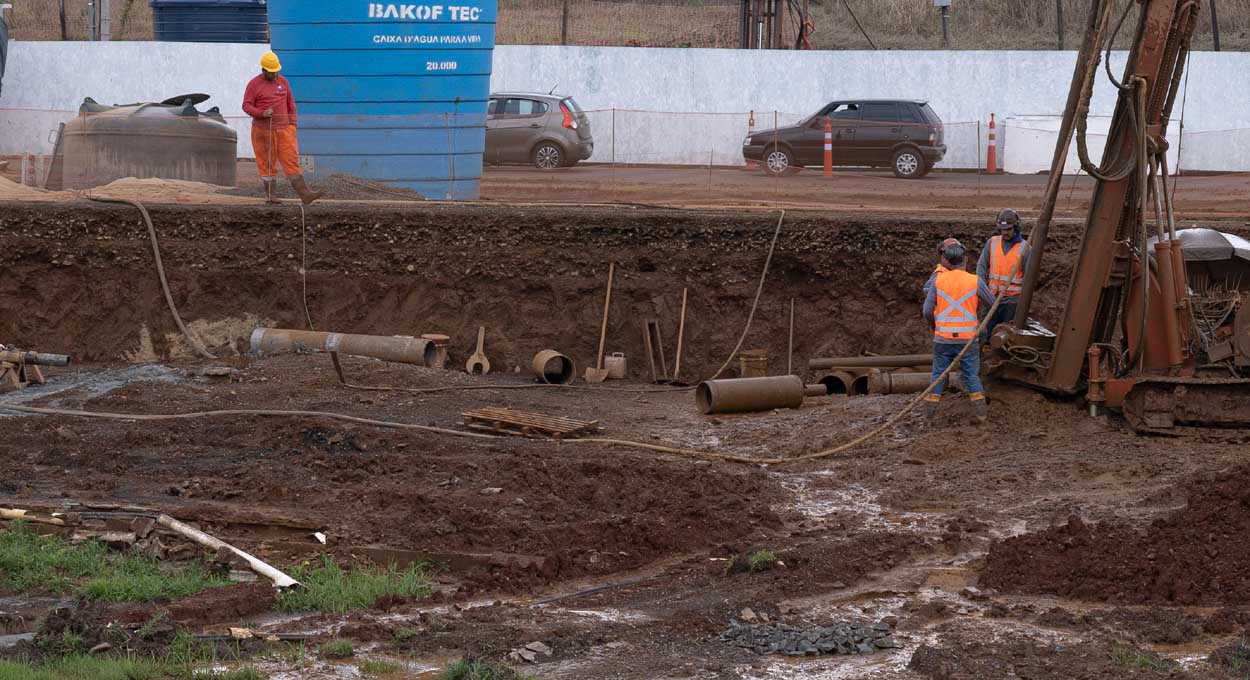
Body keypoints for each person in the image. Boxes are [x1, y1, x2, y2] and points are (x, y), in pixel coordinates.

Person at [922, 241, 994, 423]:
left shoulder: (937, 281)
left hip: (943, 339)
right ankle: (981, 415)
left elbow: (927, 311)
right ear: (965, 260)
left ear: (946, 260)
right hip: (967, 340)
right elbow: (992, 303)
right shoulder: (975, 281)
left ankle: (929, 416)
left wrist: (934, 326)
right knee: (971, 375)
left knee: (938, 375)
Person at [243, 51, 323, 205]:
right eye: (271, 72)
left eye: (276, 71)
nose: (274, 75)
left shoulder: (283, 81)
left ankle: (305, 194)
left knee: (292, 161)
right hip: (263, 131)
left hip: (285, 130)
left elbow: (290, 104)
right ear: (263, 70)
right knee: (267, 163)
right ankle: (271, 196)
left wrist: (292, 124)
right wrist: (261, 113)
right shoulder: (254, 84)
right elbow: (246, 105)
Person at [977, 208, 1029, 339]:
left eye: (1008, 229)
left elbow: (1028, 278)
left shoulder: (1025, 248)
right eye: (1002, 229)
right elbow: (981, 267)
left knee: (1008, 337)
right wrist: (983, 291)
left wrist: (1021, 301)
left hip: (1012, 301)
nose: (1005, 232)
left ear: (1016, 227)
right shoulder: (992, 243)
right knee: (984, 333)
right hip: (991, 298)